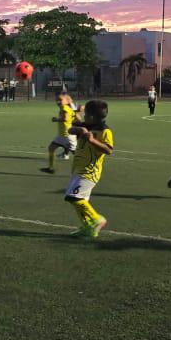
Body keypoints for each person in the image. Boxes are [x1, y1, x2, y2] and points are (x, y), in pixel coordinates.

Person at [64, 100, 114, 238]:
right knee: (78, 202)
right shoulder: (86, 125)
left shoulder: (105, 131)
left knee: (73, 197)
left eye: (86, 115)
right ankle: (88, 228)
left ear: (92, 117)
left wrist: (92, 140)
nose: (84, 116)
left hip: (89, 172)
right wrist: (80, 130)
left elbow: (108, 150)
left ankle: (97, 219)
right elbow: (70, 129)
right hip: (78, 170)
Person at [41, 94, 80, 173]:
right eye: (57, 100)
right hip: (62, 135)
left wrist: (56, 119)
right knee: (51, 148)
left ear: (66, 101)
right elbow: (76, 118)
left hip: (68, 136)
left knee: (77, 154)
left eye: (60, 100)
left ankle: (87, 168)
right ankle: (50, 168)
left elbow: (65, 118)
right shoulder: (69, 108)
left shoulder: (64, 108)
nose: (58, 102)